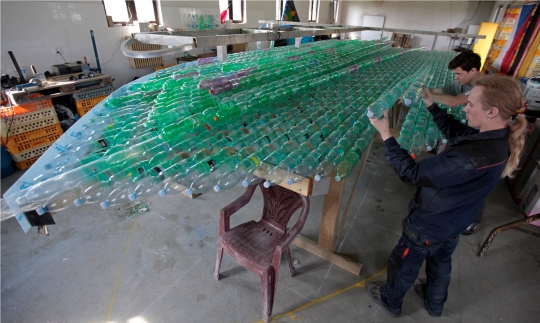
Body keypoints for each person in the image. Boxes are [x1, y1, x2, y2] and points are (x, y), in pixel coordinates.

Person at [365, 75, 526, 318]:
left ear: (492, 111)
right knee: (441, 262)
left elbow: (412, 172)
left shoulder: (470, 159)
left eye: (471, 104)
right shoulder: (497, 138)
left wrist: (386, 134)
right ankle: (434, 303)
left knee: (405, 262)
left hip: (430, 223)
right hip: (457, 220)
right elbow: (458, 133)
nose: (465, 107)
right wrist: (431, 105)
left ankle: (391, 301)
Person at [427, 50, 484, 234]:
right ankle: (449, 208)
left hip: (484, 138)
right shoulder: (462, 82)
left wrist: (427, 98)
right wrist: (421, 90)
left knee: (477, 180)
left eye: (459, 73)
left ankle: (471, 221)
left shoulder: (484, 87)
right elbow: (442, 90)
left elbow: (453, 102)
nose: (457, 77)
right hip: (469, 132)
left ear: (473, 71)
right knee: (459, 175)